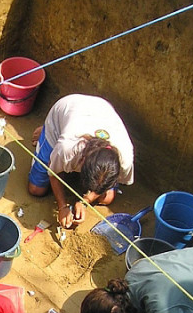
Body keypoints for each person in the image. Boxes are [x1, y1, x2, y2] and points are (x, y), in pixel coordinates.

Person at [27, 94, 134, 229]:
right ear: (82, 162)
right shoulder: (68, 148)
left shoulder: (125, 159)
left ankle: (61, 127)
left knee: (107, 198)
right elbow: (53, 172)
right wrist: (62, 206)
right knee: (36, 189)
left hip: (102, 110)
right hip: (65, 109)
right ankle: (47, 129)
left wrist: (85, 201)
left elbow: (104, 185)